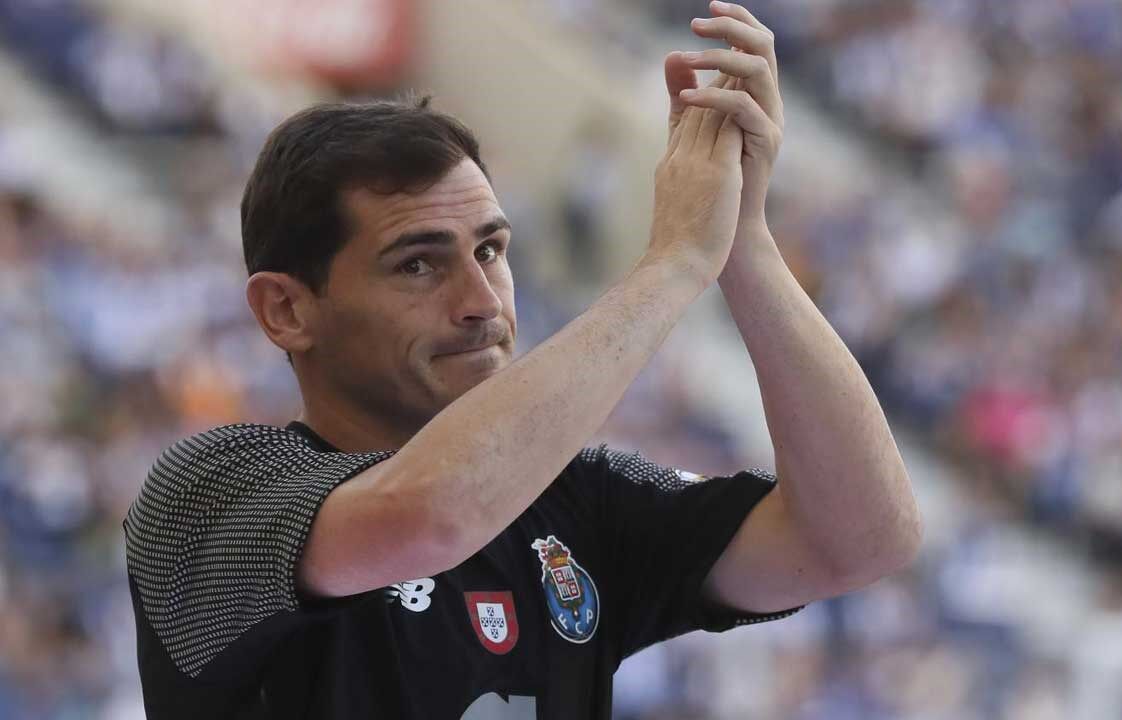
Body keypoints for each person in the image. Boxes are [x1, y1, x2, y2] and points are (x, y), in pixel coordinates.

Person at [122, 3, 921, 717]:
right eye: (417, 264)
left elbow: (861, 540)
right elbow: (430, 516)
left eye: (491, 250)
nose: (482, 301)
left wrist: (742, 240)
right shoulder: (207, 492)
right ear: (286, 310)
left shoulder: (576, 498)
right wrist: (676, 261)